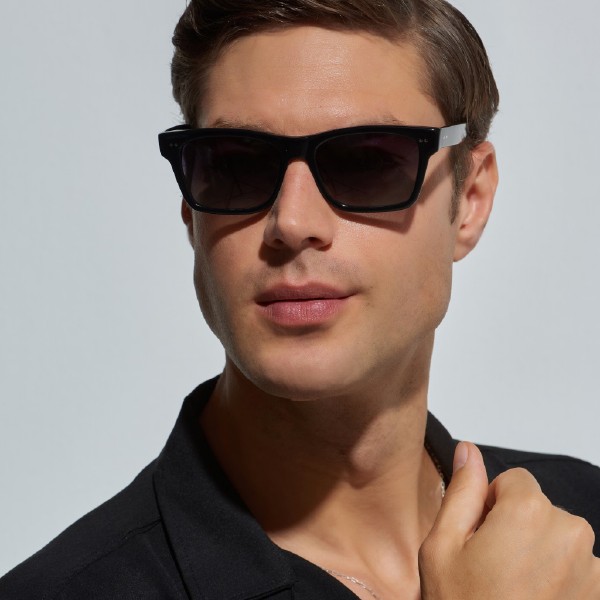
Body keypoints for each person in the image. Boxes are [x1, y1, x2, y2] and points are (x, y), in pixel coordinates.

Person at [2, 0, 599, 598]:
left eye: (365, 161)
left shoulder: (582, 525)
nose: (291, 222)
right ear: (191, 209)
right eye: (236, 164)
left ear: (469, 200)